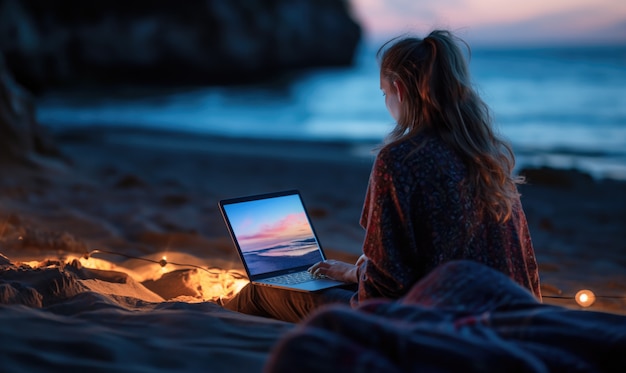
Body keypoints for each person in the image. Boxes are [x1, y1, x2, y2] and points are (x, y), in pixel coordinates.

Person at [223, 29, 541, 323]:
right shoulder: (488, 157)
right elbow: (524, 266)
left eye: (384, 93)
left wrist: (359, 282)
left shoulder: (400, 159)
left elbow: (385, 290)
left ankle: (219, 317)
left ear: (399, 89)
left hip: (432, 325)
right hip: (508, 320)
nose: (386, 101)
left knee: (258, 292)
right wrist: (352, 273)